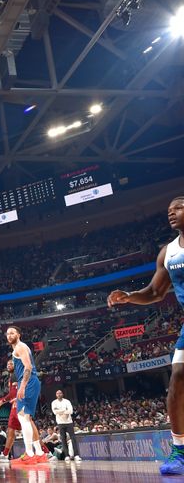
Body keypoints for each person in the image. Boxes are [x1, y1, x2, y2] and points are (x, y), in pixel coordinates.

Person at [108, 195, 184, 475]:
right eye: (168, 210)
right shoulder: (168, 252)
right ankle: (179, 451)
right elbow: (154, 292)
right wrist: (129, 297)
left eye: (178, 207)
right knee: (177, 376)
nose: (171, 213)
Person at [0, 359, 50, 462]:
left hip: (21, 403)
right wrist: (5, 400)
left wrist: (2, 401)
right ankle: (5, 455)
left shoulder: (18, 373)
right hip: (14, 406)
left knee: (30, 426)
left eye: (11, 364)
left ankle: (45, 452)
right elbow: (12, 393)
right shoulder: (11, 377)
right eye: (7, 364)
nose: (8, 365)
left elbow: (17, 391)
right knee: (10, 430)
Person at [5, 326, 46, 467]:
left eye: (12, 333)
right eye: (8, 333)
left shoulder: (20, 347)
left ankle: (29, 454)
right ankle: (40, 454)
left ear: (19, 334)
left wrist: (22, 387)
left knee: (23, 417)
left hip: (28, 382)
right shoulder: (18, 348)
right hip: (30, 383)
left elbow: (28, 367)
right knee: (26, 418)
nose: (9, 335)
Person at [51, 389, 81, 461]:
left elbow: (70, 411)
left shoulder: (67, 401)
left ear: (62, 394)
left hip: (69, 422)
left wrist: (60, 411)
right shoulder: (54, 402)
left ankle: (76, 455)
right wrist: (64, 410)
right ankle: (66, 456)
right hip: (60, 423)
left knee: (73, 438)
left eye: (60, 393)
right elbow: (55, 412)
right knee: (63, 439)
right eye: (57, 393)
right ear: (56, 395)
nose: (59, 394)